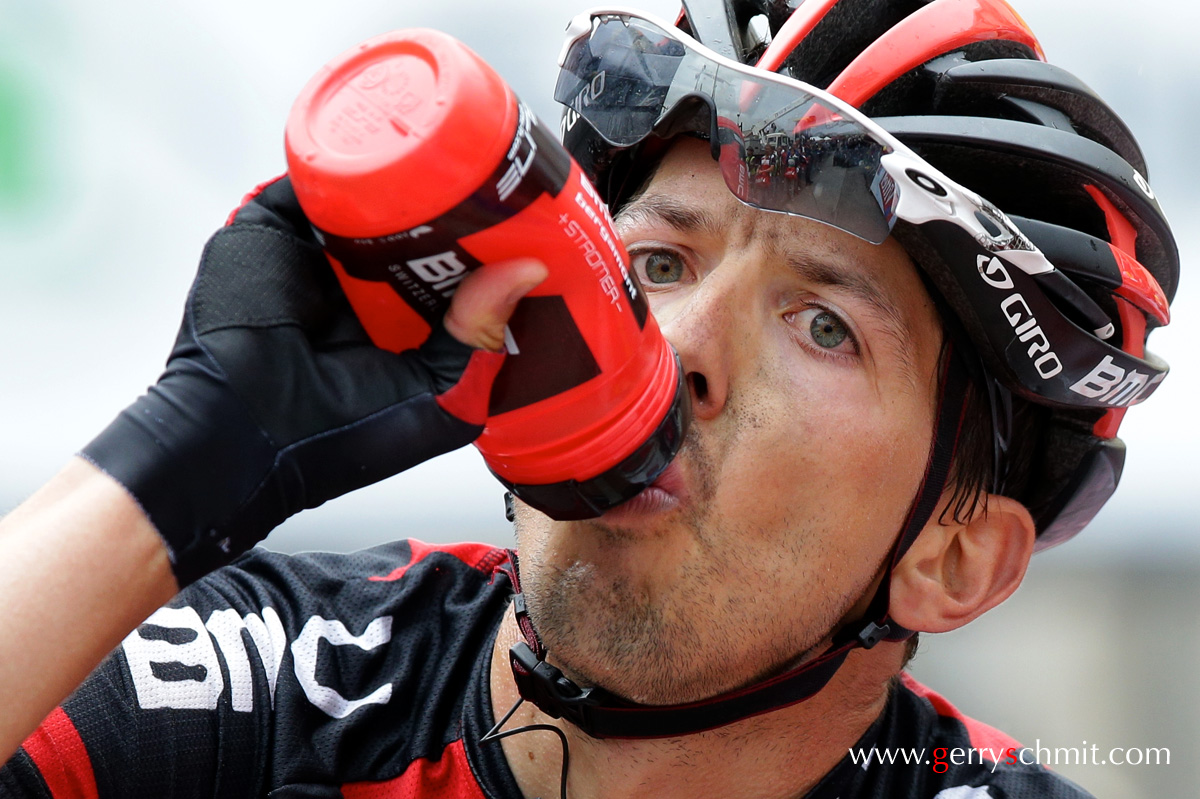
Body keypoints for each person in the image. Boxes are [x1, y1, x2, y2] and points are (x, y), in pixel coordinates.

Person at [0, 1, 1178, 797]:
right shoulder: (274, 680)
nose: (679, 348)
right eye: (659, 263)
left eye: (824, 325)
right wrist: (176, 465)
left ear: (957, 551)